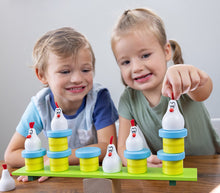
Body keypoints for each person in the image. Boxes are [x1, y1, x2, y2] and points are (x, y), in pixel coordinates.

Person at [4, 27, 118, 181]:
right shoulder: (39, 105)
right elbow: (11, 154)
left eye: (86, 69)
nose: (77, 78)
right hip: (60, 180)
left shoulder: (98, 98)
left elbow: (107, 148)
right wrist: (44, 162)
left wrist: (57, 159)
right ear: (42, 75)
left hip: (96, 177)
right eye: (65, 72)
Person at [111, 8, 220, 166]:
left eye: (145, 55)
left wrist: (192, 75)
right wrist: (137, 162)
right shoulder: (128, 99)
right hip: (170, 169)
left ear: (166, 51)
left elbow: (203, 89)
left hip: (211, 163)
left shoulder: (181, 80)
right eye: (126, 62)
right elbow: (122, 147)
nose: (136, 68)